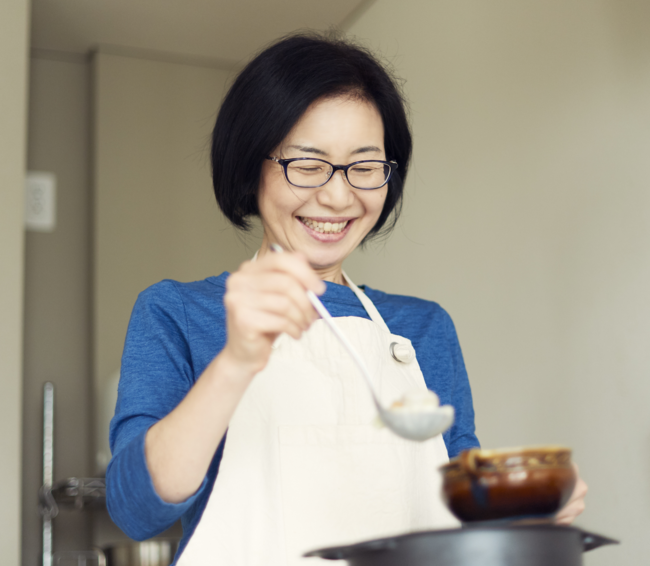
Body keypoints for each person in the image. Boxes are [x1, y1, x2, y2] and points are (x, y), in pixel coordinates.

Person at [106, 33, 586, 566]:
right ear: (251, 165)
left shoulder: (423, 328)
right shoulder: (178, 313)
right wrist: (236, 362)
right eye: (308, 164)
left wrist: (519, 510)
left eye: (364, 165)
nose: (338, 196)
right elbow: (135, 509)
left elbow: (459, 504)